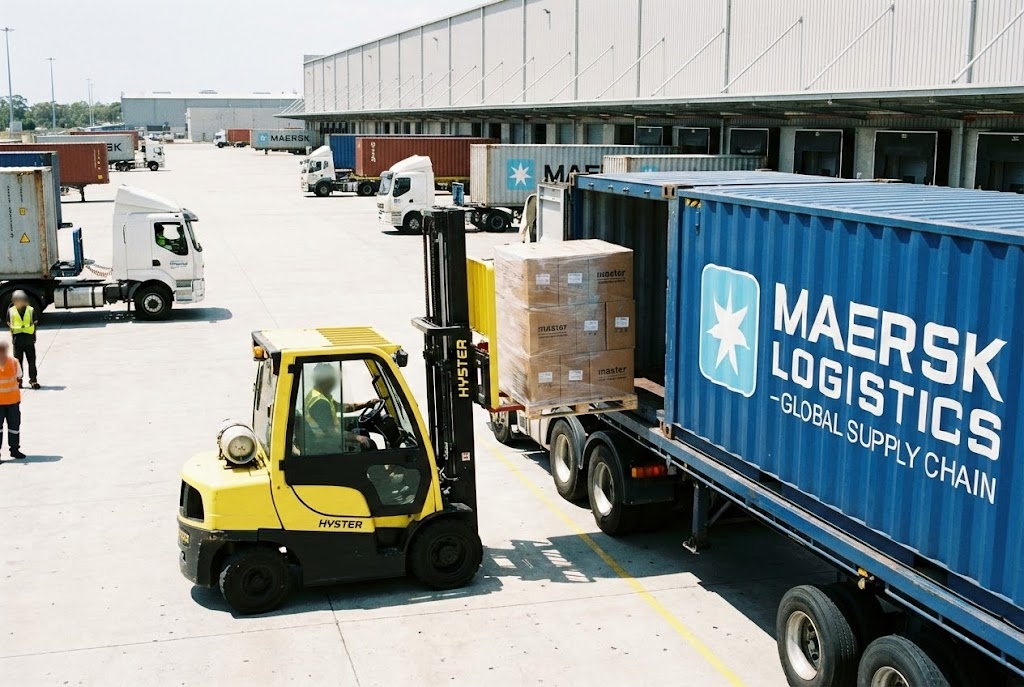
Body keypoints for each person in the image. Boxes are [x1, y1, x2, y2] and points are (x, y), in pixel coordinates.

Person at [303, 363, 377, 454]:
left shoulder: (320, 395)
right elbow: (331, 432)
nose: (334, 383)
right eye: (331, 380)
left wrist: (366, 404)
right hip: (325, 446)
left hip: (326, 440)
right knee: (368, 442)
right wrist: (358, 438)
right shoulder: (319, 402)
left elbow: (343, 407)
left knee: (362, 431)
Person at [7, 290, 39, 390]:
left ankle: (27, 380)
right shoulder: (28, 310)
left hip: (21, 339)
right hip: (23, 339)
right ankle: (24, 380)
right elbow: (35, 323)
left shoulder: (14, 310)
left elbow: (9, 323)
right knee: (23, 361)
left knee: (26, 361)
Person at [0, 339, 25, 460]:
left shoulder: (14, 362)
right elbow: (19, 375)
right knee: (14, 427)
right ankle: (14, 450)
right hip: (12, 402)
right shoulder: (14, 362)